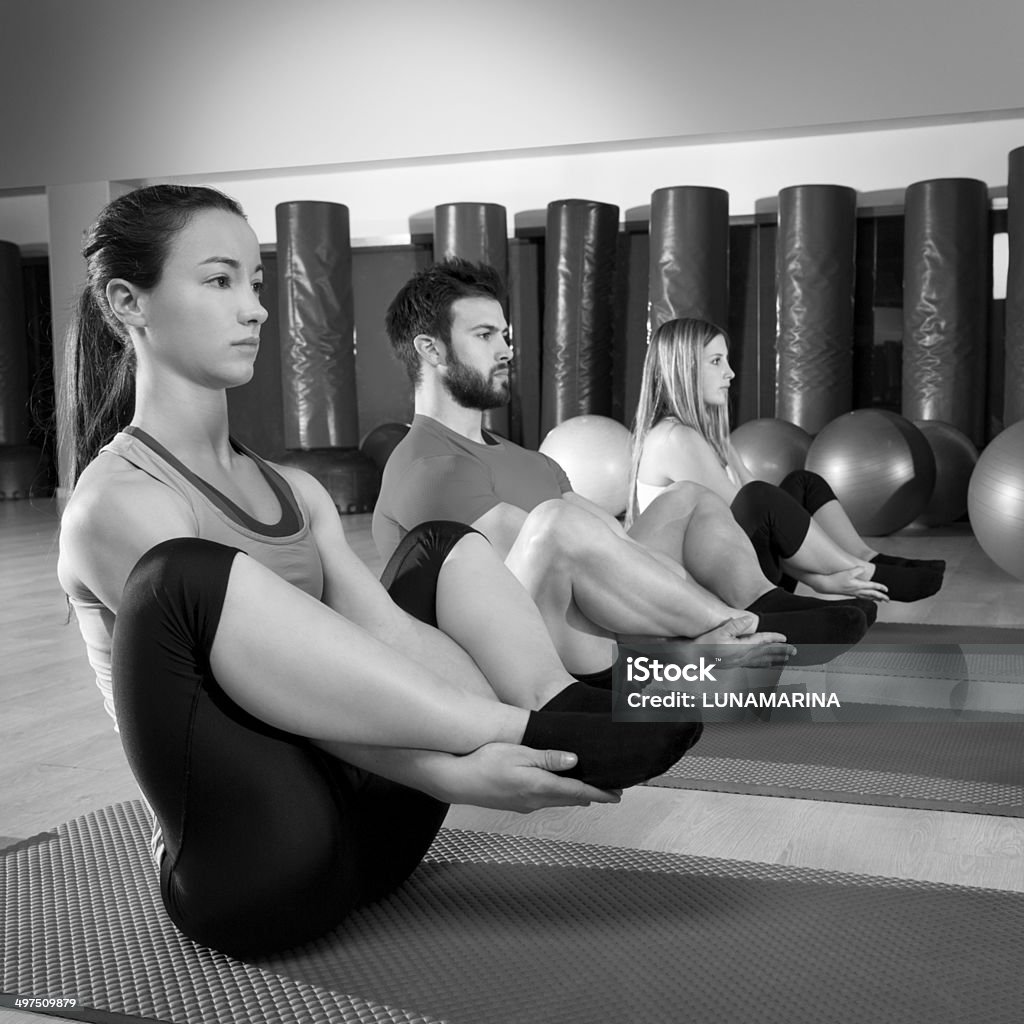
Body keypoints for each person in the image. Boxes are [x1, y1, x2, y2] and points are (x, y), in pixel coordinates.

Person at [55, 185, 704, 957]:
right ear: (129, 302)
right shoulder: (116, 502)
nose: (256, 309)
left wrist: (483, 768)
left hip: (374, 836)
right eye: (220, 280)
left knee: (433, 550)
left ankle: (551, 710)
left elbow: (386, 630)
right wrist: (461, 772)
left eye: (257, 283)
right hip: (257, 866)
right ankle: (527, 725)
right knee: (179, 578)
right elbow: (269, 703)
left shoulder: (290, 489)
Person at [373, 260, 872, 686]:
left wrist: (685, 598)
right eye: (484, 336)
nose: (506, 350)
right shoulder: (430, 465)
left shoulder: (531, 460)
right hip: (523, 662)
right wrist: (697, 634)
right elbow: (507, 599)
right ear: (430, 350)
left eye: (504, 335)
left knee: (687, 499)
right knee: (555, 524)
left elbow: (622, 548)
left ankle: (764, 609)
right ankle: (728, 633)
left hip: (600, 622)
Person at [628, 317, 945, 603]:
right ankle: (858, 570)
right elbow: (739, 514)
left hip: (734, 561)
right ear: (683, 369)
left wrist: (725, 446)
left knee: (802, 484)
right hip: (718, 584)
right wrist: (821, 581)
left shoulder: (699, 434)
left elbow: (752, 499)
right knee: (760, 498)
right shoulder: (675, 438)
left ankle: (867, 558)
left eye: (726, 360)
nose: (730, 372)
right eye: (716, 361)